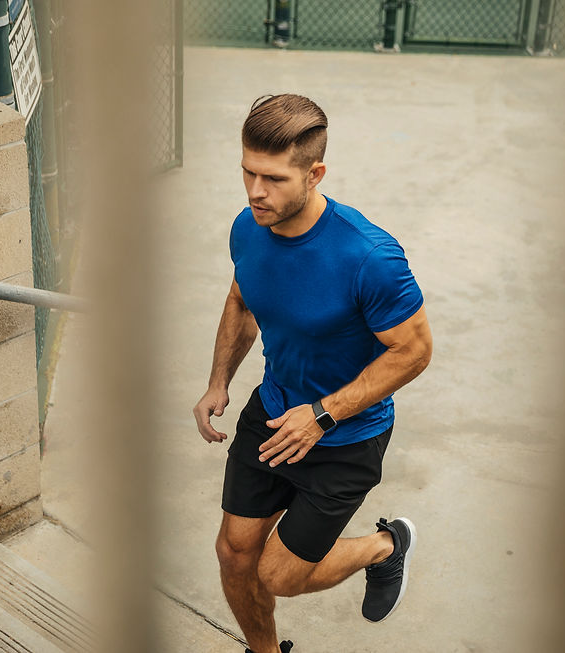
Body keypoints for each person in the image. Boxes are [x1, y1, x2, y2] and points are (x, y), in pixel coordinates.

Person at [193, 94, 433, 653]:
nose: (255, 192)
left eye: (273, 178)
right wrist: (218, 381)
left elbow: (414, 352)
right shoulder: (249, 227)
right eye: (248, 173)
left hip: (346, 437)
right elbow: (241, 299)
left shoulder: (369, 257)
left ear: (315, 173)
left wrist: (323, 415)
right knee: (234, 555)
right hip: (275, 412)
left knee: (279, 575)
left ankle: (385, 546)